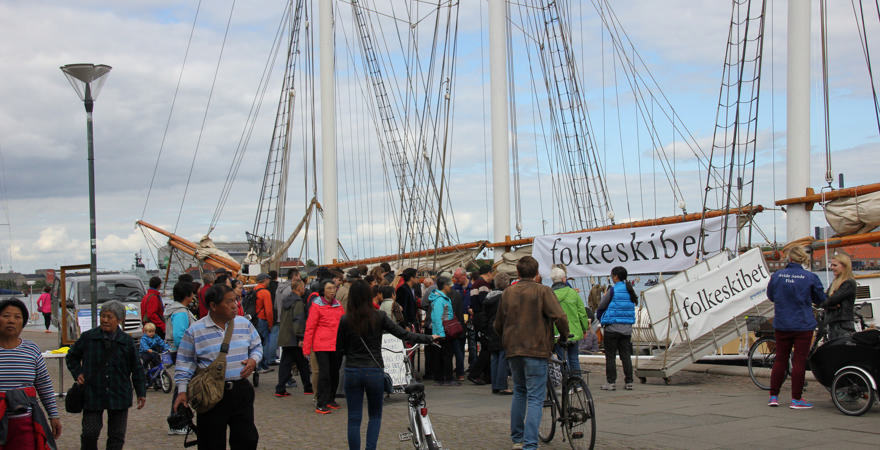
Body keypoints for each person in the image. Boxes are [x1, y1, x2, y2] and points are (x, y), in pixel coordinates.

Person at [337, 280, 438, 450]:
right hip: (373, 370)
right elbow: (403, 334)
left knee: (354, 418)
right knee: (375, 416)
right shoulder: (379, 317)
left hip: (353, 370)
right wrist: (428, 338)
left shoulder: (345, 319)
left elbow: (339, 349)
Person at [173, 283, 263, 449]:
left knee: (247, 440)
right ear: (213, 306)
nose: (235, 305)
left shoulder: (244, 324)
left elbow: (257, 346)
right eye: (229, 302)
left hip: (240, 390)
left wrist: (253, 360)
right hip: (210, 393)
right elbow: (184, 363)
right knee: (211, 443)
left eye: (235, 300)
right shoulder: (195, 330)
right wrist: (182, 392)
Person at [494, 256, 569, 450]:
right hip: (536, 348)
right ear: (537, 273)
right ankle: (530, 443)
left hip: (514, 349)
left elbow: (498, 323)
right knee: (536, 397)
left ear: (518, 273)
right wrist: (564, 335)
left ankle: (517, 439)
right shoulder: (543, 291)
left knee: (519, 392)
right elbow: (559, 316)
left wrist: (507, 338)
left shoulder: (508, 293)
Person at [66, 300, 147, 450]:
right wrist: (78, 373)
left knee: (117, 436)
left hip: (119, 393)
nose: (105, 320)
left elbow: (137, 368)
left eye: (109, 317)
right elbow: (71, 357)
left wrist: (141, 392)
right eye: (103, 316)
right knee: (90, 433)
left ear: (119, 319)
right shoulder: (88, 337)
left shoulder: (126, 341)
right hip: (93, 392)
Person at [766, 246, 825, 409]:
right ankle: (796, 399)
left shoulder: (777, 276)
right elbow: (820, 299)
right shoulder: (810, 277)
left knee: (780, 359)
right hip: (803, 324)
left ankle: (773, 396)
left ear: (789, 259)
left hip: (782, 323)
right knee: (799, 361)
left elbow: (771, 296)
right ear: (802, 259)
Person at [0, 298, 61, 448]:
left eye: (17, 317)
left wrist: (53, 415)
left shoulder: (31, 349)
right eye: (6, 316)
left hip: (24, 424)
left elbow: (44, 385)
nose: (11, 320)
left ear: (23, 323)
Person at [302, 279, 345, 414]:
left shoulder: (338, 304)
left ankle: (331, 398)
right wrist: (306, 348)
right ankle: (321, 402)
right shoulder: (317, 305)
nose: (332, 291)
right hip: (322, 344)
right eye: (329, 288)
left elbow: (344, 323)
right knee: (324, 374)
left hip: (336, 344)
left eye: (334, 288)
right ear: (323, 291)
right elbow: (310, 327)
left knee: (335, 373)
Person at [163, 280, 197, 435]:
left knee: (182, 387)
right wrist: (189, 351)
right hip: (183, 352)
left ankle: (180, 421)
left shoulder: (176, 309)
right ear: (187, 295)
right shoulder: (181, 312)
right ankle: (177, 422)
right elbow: (179, 336)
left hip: (177, 351)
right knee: (182, 388)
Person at [597, 266, 638, 391]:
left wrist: (600, 317)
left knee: (610, 356)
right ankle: (629, 381)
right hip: (626, 328)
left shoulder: (613, 290)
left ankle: (611, 382)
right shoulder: (630, 290)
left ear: (615, 276)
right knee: (626, 355)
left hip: (612, 327)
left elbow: (602, 305)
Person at [275, 277, 313, 396]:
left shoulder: (286, 300)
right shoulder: (298, 302)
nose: (304, 289)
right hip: (294, 338)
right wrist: (301, 337)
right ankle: (307, 387)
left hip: (285, 336)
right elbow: (299, 320)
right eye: (303, 287)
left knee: (286, 363)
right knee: (302, 363)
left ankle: (281, 388)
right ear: (299, 288)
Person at [549, 266, 590, 374]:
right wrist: (584, 328)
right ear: (564, 279)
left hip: (557, 333)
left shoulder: (549, 295)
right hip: (574, 331)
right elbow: (582, 313)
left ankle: (566, 381)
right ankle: (577, 380)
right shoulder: (573, 293)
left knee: (562, 360)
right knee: (574, 358)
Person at [484, 273, 512, 394]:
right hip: (502, 327)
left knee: (495, 356)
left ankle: (495, 384)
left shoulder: (488, 297)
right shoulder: (505, 297)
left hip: (491, 328)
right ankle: (502, 385)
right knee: (503, 356)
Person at [429, 276, 459, 386]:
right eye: (449, 285)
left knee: (442, 355)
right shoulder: (440, 300)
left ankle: (442, 377)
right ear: (445, 286)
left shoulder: (440, 298)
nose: (451, 287)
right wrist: (441, 333)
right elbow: (437, 317)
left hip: (442, 330)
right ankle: (446, 377)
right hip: (443, 331)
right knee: (446, 355)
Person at [825, 253, 857, 340]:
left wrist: (827, 303)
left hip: (843, 324)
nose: (832, 268)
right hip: (834, 322)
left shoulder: (848, 283)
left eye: (835, 265)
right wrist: (828, 303)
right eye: (831, 265)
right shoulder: (835, 282)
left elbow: (832, 300)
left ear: (844, 266)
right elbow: (827, 299)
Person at [253, 273, 275, 374]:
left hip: (255, 319)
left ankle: (256, 364)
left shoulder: (254, 290)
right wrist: (270, 324)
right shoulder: (265, 292)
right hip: (262, 319)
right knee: (264, 343)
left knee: (256, 342)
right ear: (265, 280)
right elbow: (269, 311)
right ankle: (263, 365)